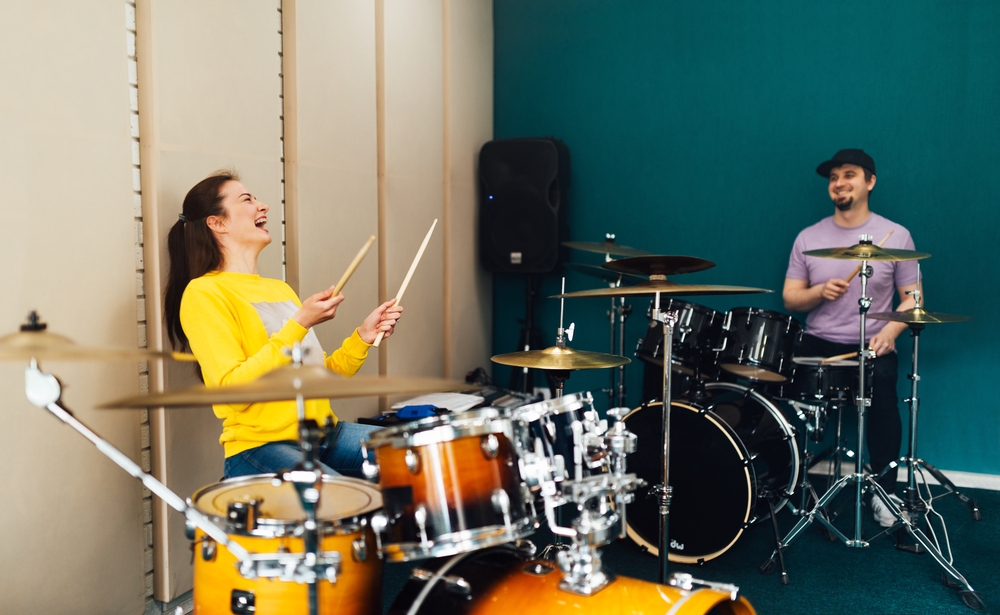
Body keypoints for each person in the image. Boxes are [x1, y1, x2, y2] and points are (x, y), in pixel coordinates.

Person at [163, 170, 402, 480]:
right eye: (247, 199)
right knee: (340, 499)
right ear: (217, 222)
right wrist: (299, 323)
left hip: (323, 437)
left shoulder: (279, 289)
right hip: (261, 447)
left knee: (415, 457)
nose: (263, 206)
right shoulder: (203, 293)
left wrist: (362, 337)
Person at [783, 149, 919, 528]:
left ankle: (885, 491)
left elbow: (914, 298)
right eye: (833, 178)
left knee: (884, 386)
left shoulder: (897, 235)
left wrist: (891, 331)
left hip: (871, 342)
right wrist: (818, 292)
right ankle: (785, 482)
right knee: (777, 383)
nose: (839, 183)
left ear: (869, 181)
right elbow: (791, 297)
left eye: (849, 174)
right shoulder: (809, 237)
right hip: (819, 341)